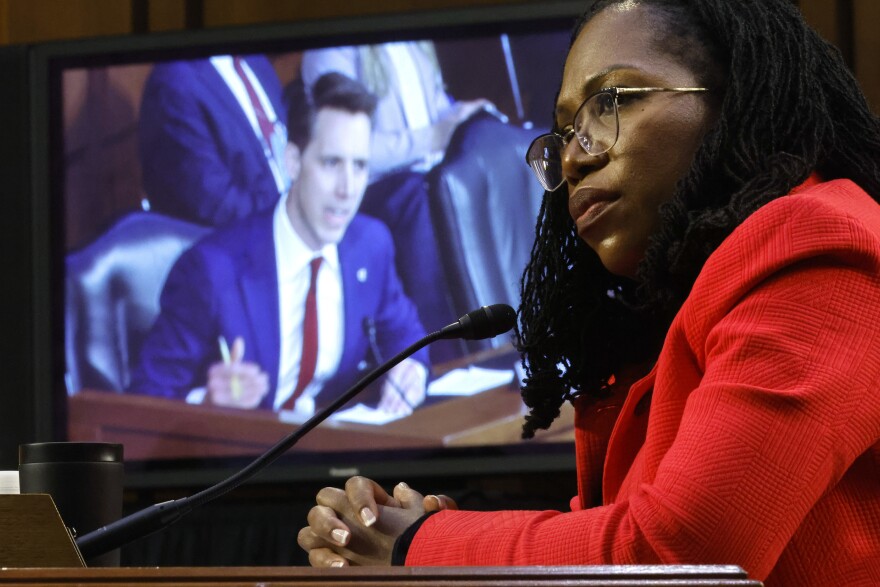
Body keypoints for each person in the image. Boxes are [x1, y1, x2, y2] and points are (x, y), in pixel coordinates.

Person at [296, 0, 880, 584]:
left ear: (736, 98)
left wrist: (419, 545)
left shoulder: (813, 243)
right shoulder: (667, 306)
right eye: (566, 131)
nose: (574, 156)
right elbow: (613, 530)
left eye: (612, 101)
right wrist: (427, 532)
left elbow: (681, 554)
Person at [130, 72, 429, 417]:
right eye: (331, 163)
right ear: (293, 162)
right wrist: (206, 403)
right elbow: (144, 404)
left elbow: (407, 336)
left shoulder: (370, 245)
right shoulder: (212, 270)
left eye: (360, 166)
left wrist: (411, 371)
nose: (347, 189)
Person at [300, 43, 497, 359]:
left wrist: (465, 116)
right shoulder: (331, 52)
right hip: (375, 194)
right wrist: (433, 137)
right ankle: (449, 357)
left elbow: (438, 116)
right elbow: (353, 147)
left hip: (427, 183)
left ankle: (505, 343)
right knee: (418, 198)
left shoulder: (413, 44)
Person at [139, 55, 289, 227]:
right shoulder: (174, 84)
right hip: (245, 241)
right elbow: (215, 206)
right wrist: (294, 217)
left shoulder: (255, 60)